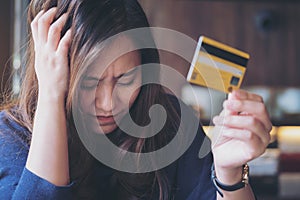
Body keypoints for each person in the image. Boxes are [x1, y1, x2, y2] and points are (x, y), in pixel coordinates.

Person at [0, 0, 272, 199]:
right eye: (89, 83)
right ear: (51, 71)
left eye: (126, 80)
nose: (108, 103)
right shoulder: (10, 135)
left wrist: (229, 175)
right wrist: (51, 95)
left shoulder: (173, 122)